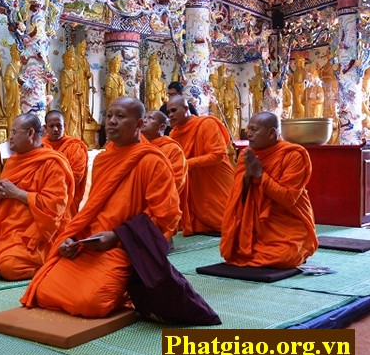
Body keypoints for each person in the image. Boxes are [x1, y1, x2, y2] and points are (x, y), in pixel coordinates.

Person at [20, 96, 181, 318]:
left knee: (91, 303)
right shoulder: (103, 160)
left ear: (139, 124)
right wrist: (74, 239)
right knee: (43, 291)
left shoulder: (152, 161)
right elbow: (93, 210)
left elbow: (167, 216)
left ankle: (128, 291)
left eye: (121, 116)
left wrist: (117, 236)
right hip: (91, 242)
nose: (112, 122)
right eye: (109, 116)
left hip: (124, 247)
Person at [0, 114, 75, 281]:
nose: (10, 137)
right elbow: (2, 204)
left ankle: (50, 263)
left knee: (10, 267)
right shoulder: (13, 162)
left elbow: (54, 207)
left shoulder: (52, 163)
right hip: (6, 228)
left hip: (36, 233)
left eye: (14, 132)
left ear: (30, 133)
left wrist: (17, 193)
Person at [220, 112, 318, 268]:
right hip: (256, 225)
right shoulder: (247, 154)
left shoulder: (293, 155)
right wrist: (247, 177)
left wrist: (260, 176)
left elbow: (288, 198)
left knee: (284, 256)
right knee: (234, 251)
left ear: (272, 133)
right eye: (248, 129)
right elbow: (239, 195)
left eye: (254, 129)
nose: (248, 134)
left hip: (286, 223)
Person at [168, 95, 234, 236]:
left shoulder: (206, 124)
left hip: (216, 181)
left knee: (226, 222)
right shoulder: (174, 134)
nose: (170, 115)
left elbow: (218, 155)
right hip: (195, 184)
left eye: (174, 111)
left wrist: (186, 164)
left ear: (186, 108)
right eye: (168, 112)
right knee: (200, 222)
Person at [141, 109, 187, 239]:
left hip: (162, 202)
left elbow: (177, 181)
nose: (145, 120)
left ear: (161, 127)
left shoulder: (172, 149)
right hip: (139, 200)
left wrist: (157, 195)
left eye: (150, 118)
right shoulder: (137, 147)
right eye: (144, 117)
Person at [42, 110, 88, 217]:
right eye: (51, 126)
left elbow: (76, 176)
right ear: (45, 128)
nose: (56, 129)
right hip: (42, 197)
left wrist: (50, 186)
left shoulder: (75, 147)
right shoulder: (41, 146)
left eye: (59, 126)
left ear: (65, 126)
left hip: (66, 197)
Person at [59, 48, 80, 138]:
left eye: (73, 60)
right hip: (68, 101)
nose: (72, 62)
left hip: (75, 101)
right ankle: (69, 136)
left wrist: (77, 88)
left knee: (77, 120)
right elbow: (63, 91)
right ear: (65, 61)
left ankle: (76, 137)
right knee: (69, 120)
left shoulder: (76, 74)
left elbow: (79, 89)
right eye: (70, 60)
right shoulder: (64, 74)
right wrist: (72, 86)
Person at [3, 44, 22, 132]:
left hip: (23, 98)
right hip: (13, 98)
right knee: (12, 116)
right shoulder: (10, 67)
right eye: (18, 52)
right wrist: (15, 83)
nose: (20, 54)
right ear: (13, 54)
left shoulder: (25, 67)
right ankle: (12, 136)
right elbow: (7, 85)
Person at [223, 75, 240, 140]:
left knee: (236, 125)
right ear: (228, 83)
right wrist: (232, 103)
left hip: (234, 112)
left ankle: (236, 137)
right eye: (232, 82)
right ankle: (231, 139)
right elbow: (226, 106)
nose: (233, 84)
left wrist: (236, 104)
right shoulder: (226, 93)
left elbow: (236, 103)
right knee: (231, 126)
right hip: (229, 114)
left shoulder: (234, 93)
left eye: (234, 82)